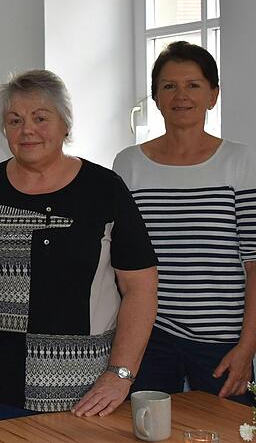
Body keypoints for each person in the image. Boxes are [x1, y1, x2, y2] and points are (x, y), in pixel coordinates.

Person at [0, 70, 158, 425]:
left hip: (87, 397)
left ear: (65, 125)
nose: (27, 130)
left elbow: (141, 288)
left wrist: (119, 376)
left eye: (41, 118)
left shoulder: (104, 189)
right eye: (14, 120)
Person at [113, 41, 256, 404]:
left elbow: (255, 265)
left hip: (222, 343)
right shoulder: (129, 164)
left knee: (228, 432)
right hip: (149, 338)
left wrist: (246, 348)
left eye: (193, 85)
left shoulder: (241, 162)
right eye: (169, 86)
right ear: (156, 97)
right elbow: (120, 261)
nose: (181, 96)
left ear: (213, 94)